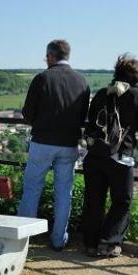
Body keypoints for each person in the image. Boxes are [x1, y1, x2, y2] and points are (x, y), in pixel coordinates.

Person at [18, 39, 90, 251]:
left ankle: (24, 238)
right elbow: (82, 116)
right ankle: (58, 239)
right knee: (63, 192)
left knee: (32, 189)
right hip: (69, 145)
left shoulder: (42, 78)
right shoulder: (82, 81)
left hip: (42, 142)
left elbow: (28, 114)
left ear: (51, 56)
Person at [82, 53, 138, 257]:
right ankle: (109, 241)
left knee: (93, 200)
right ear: (136, 77)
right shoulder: (134, 95)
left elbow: (90, 120)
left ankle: (90, 243)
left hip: (95, 155)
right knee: (122, 200)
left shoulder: (101, 93)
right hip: (119, 157)